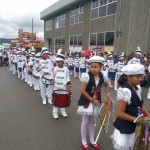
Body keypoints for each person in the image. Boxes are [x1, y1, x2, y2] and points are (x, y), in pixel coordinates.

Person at [111, 64, 149, 150]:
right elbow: (120, 113)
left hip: (134, 124)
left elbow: (139, 105)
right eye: (138, 77)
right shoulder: (125, 91)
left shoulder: (137, 88)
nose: (141, 79)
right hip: (125, 126)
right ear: (129, 78)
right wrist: (137, 120)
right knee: (126, 147)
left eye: (142, 76)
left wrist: (146, 114)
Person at [77, 55, 109, 150]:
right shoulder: (86, 76)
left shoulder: (103, 75)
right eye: (91, 66)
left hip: (96, 101)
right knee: (85, 120)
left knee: (93, 121)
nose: (93, 69)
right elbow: (82, 90)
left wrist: (106, 96)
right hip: (87, 100)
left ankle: (92, 140)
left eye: (96, 67)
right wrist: (92, 100)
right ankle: (83, 141)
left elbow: (107, 86)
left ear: (101, 67)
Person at [50, 53, 71, 119]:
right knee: (55, 100)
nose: (57, 63)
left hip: (63, 87)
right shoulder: (54, 68)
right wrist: (52, 80)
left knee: (63, 100)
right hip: (56, 87)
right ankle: (55, 112)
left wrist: (68, 82)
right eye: (57, 61)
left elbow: (67, 77)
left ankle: (63, 111)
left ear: (63, 61)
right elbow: (52, 76)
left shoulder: (66, 69)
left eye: (59, 61)